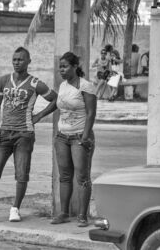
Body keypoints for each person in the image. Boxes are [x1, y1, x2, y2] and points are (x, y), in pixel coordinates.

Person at [0, 47, 58, 223]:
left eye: (21, 60)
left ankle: (15, 208)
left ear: (29, 61)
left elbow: (55, 99)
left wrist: (39, 116)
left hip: (24, 134)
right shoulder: (4, 80)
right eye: (14, 59)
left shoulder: (35, 83)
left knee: (22, 174)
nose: (17, 62)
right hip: (3, 133)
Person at [50, 52, 97, 227]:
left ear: (75, 66)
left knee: (82, 177)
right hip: (62, 137)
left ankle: (83, 216)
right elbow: (57, 104)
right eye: (59, 67)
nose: (61, 70)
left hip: (80, 137)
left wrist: (85, 137)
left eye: (64, 66)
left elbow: (91, 113)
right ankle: (64, 213)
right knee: (65, 176)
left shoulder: (86, 86)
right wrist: (38, 115)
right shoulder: (62, 86)